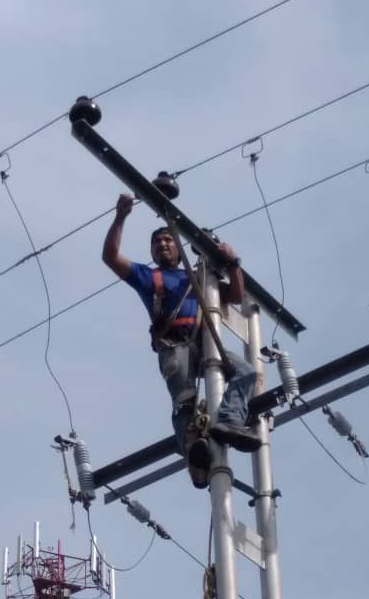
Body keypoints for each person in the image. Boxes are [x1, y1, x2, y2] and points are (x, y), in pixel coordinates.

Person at [102, 193, 260, 488]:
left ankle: (229, 421)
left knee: (247, 371)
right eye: (157, 243)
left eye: (168, 241)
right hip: (175, 346)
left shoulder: (198, 278)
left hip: (204, 344)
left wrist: (233, 263)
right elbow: (110, 257)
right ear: (152, 251)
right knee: (185, 403)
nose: (163, 245)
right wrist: (121, 217)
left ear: (178, 247)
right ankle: (194, 455)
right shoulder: (149, 277)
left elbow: (236, 296)